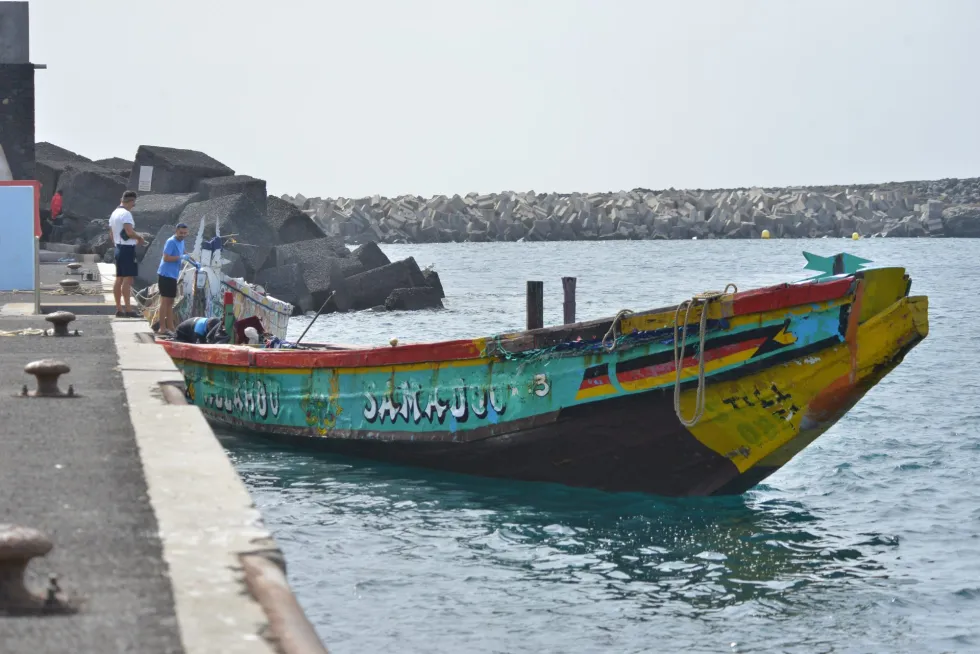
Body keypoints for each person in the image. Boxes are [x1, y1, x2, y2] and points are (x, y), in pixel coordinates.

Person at [155, 223, 198, 334]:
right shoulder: (171, 241)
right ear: (176, 231)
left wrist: (194, 262)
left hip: (173, 275)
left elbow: (184, 252)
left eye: (185, 233)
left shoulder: (181, 241)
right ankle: (162, 328)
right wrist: (180, 257)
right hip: (165, 274)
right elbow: (166, 258)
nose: (183, 235)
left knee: (171, 301)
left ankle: (171, 327)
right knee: (164, 301)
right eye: (181, 233)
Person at [108, 190, 146, 318]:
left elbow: (111, 234)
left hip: (118, 247)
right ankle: (129, 309)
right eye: (133, 203)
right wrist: (139, 237)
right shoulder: (126, 214)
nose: (133, 206)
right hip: (127, 249)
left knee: (119, 279)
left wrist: (116, 244)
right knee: (128, 280)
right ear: (131, 201)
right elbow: (129, 232)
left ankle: (119, 309)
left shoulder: (114, 213)